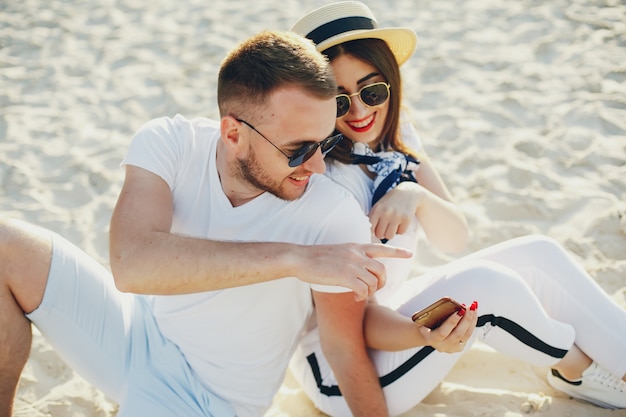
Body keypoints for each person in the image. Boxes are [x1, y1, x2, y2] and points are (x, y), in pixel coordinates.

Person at [0, 30, 413, 417]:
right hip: (133, 331)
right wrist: (293, 259)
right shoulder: (171, 142)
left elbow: (344, 348)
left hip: (211, 401)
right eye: (298, 149)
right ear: (233, 134)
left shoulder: (334, 216)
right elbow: (130, 265)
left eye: (325, 142)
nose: (318, 166)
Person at [289, 2, 626, 416]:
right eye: (340, 101)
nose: (360, 112)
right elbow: (351, 332)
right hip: (340, 370)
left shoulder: (395, 136)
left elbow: (453, 239)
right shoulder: (329, 188)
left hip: (389, 313)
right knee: (485, 286)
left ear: (391, 82)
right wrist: (424, 335)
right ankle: (579, 370)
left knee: (540, 252)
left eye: (372, 91)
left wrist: (416, 194)